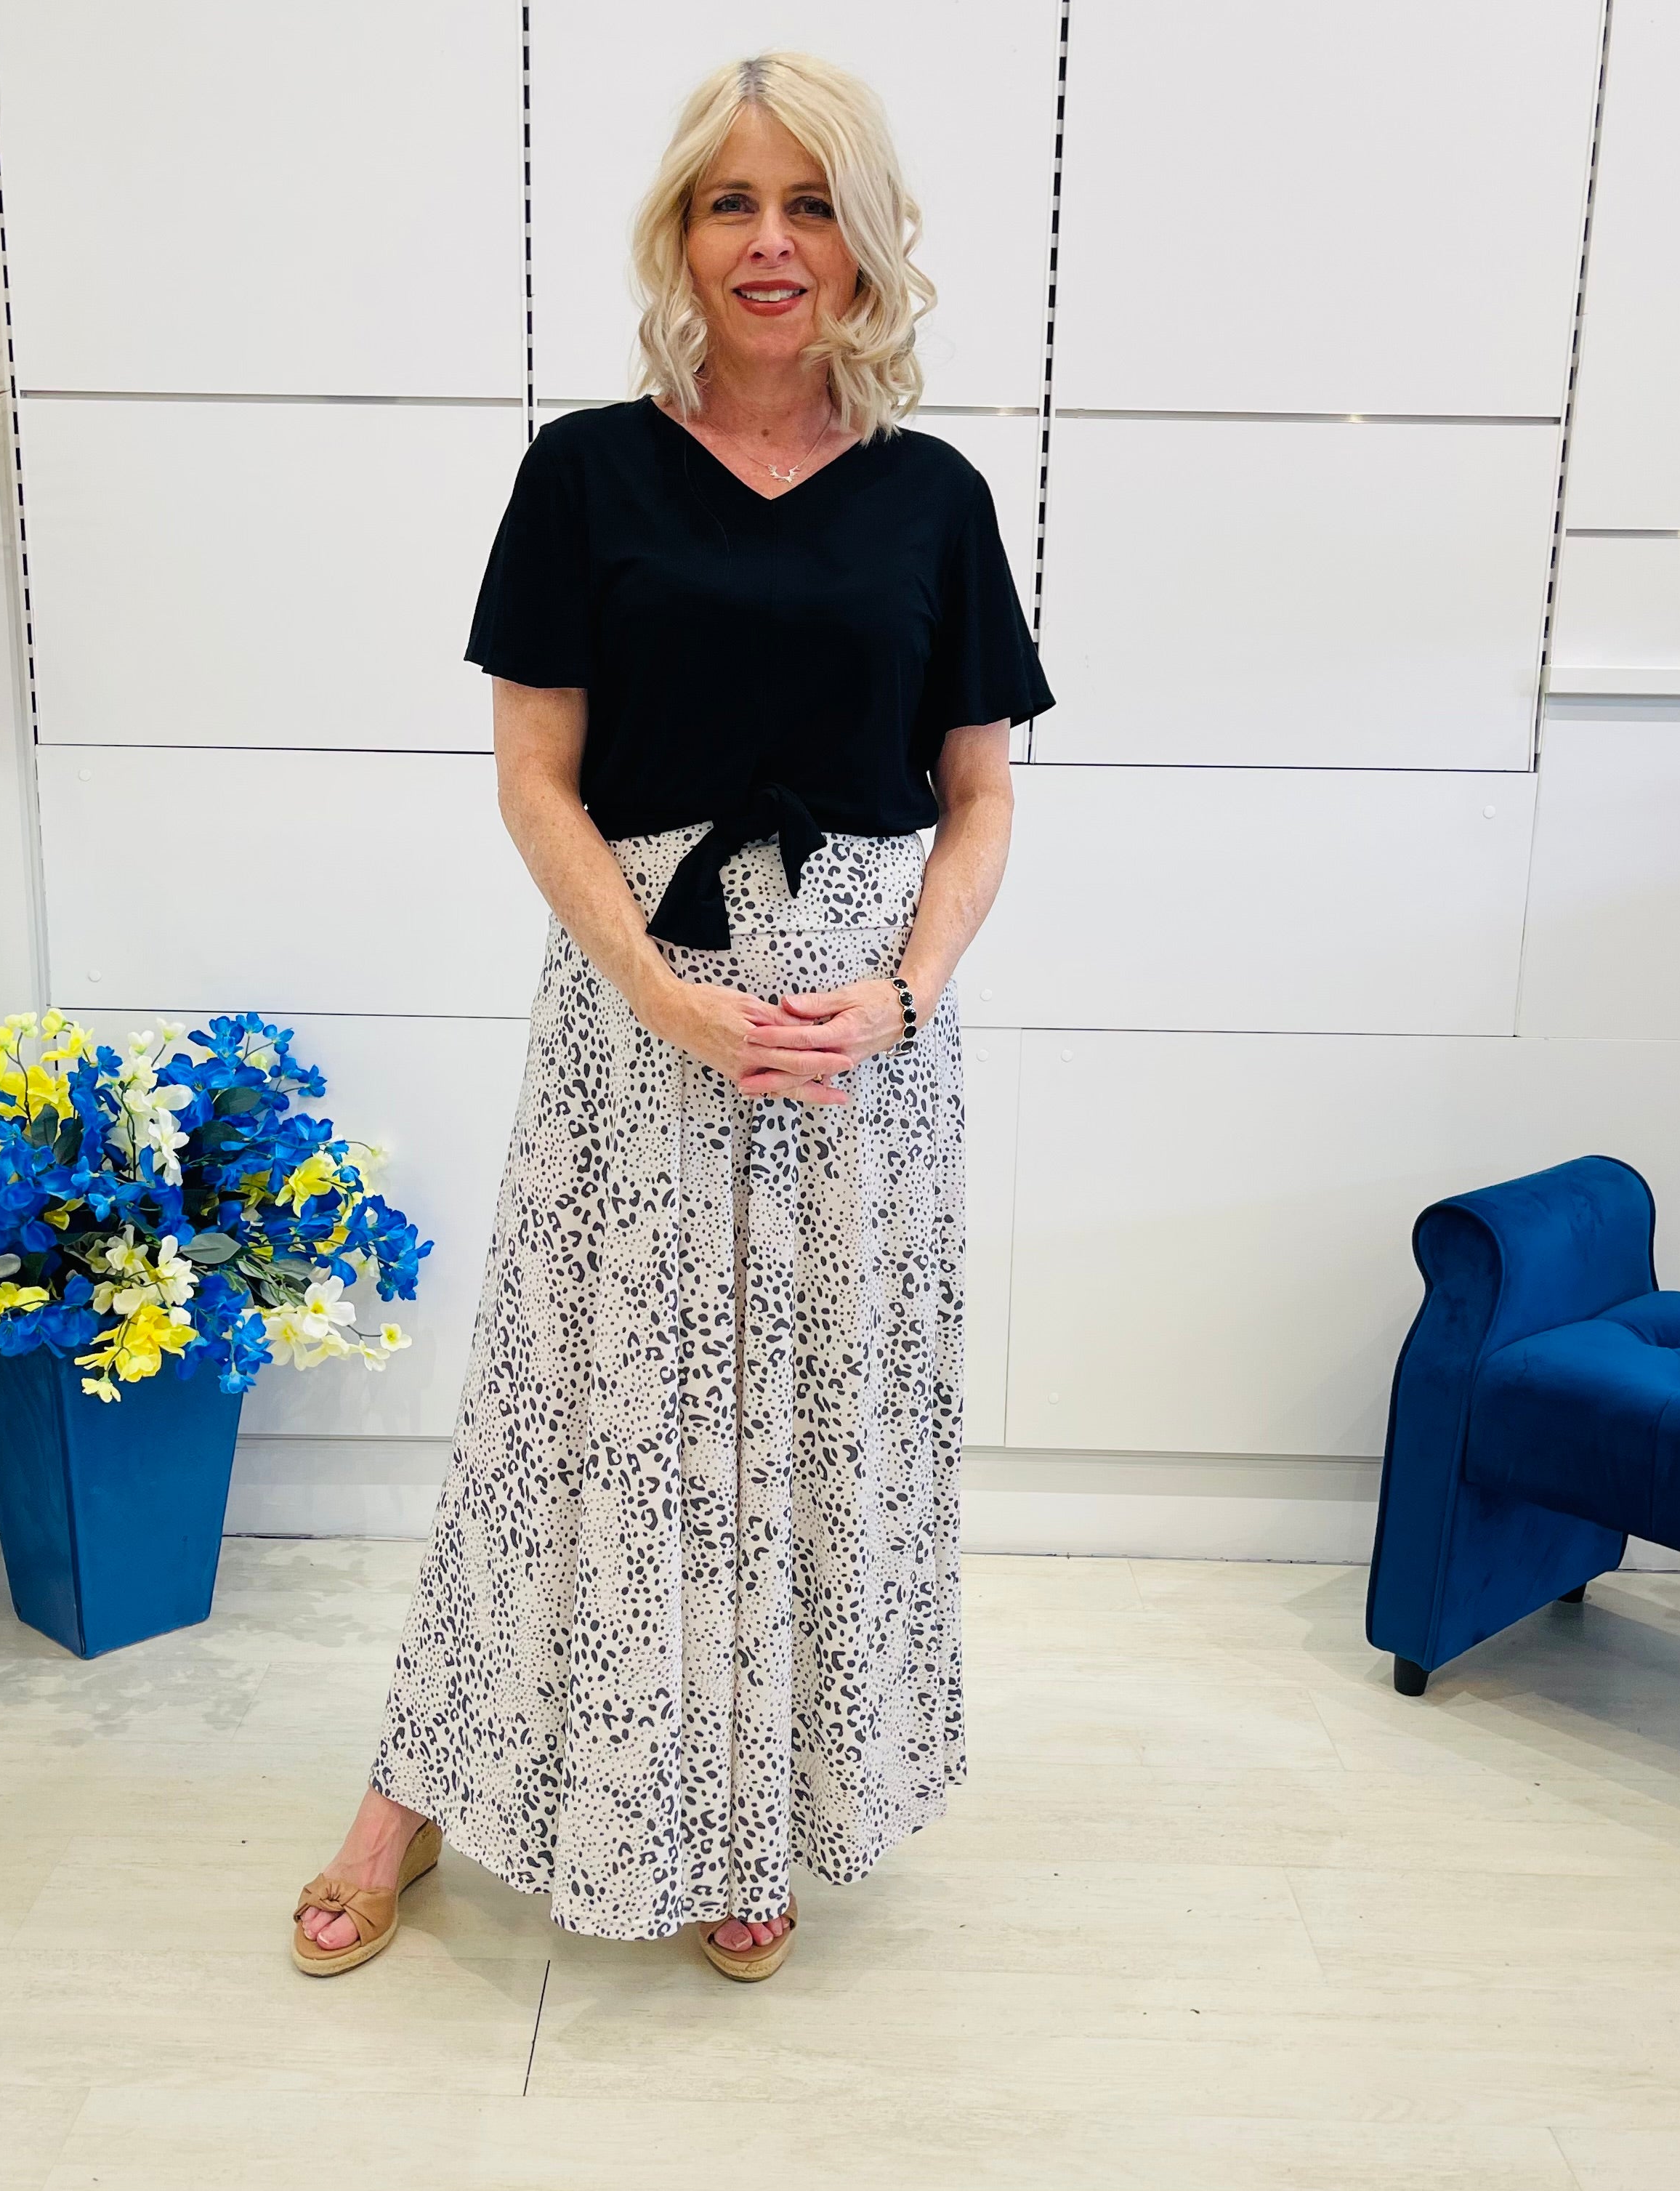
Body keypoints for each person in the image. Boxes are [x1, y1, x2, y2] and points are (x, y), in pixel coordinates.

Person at [292, 47, 1051, 1984]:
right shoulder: (589, 472)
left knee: (811, 1418)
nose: (772, 242)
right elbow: (534, 775)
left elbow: (980, 800)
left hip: (864, 1043)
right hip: (643, 1011)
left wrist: (899, 994)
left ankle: (758, 1806)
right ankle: (417, 1796)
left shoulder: (935, 501)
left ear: (865, 244)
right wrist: (666, 995)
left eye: (811, 204)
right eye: (734, 202)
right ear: (681, 234)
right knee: (575, 1411)